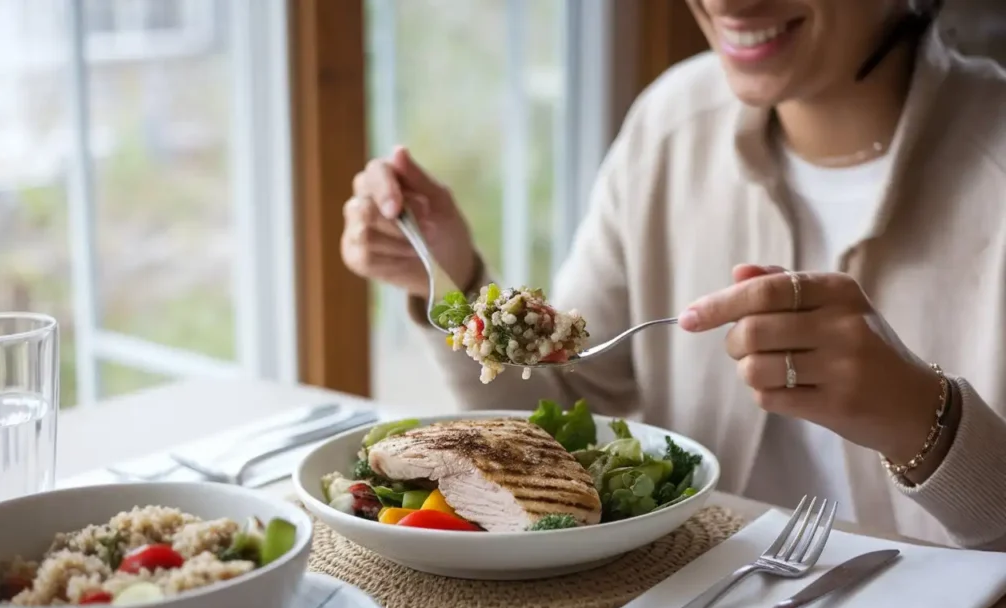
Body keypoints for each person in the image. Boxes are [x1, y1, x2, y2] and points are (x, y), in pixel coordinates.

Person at [340, 0, 1006, 550]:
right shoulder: (670, 124)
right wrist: (451, 276)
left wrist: (928, 423)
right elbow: (567, 409)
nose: (728, 5)